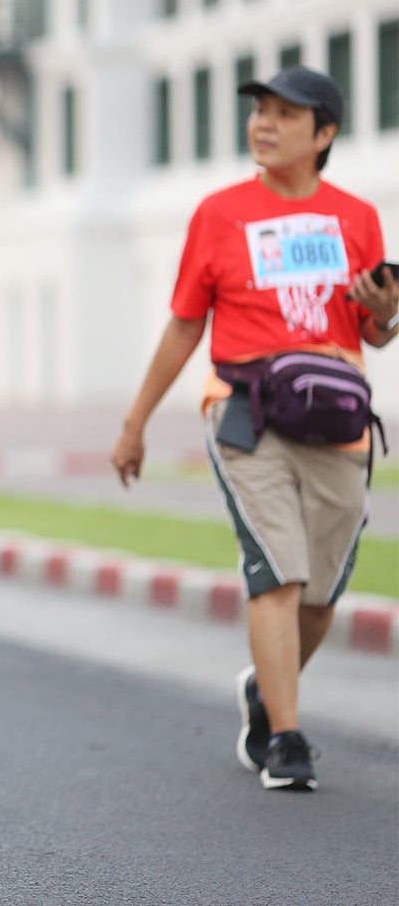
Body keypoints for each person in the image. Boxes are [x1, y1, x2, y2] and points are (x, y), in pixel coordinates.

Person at [112, 65, 396, 792]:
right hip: (245, 410)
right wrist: (136, 422)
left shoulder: (357, 218)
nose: (262, 124)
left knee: (321, 593)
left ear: (324, 134)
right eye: (258, 111)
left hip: (337, 418)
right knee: (278, 568)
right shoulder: (218, 213)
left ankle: (265, 694)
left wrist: (387, 307)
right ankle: (288, 737)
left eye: (284, 114)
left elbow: (375, 329)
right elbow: (184, 324)